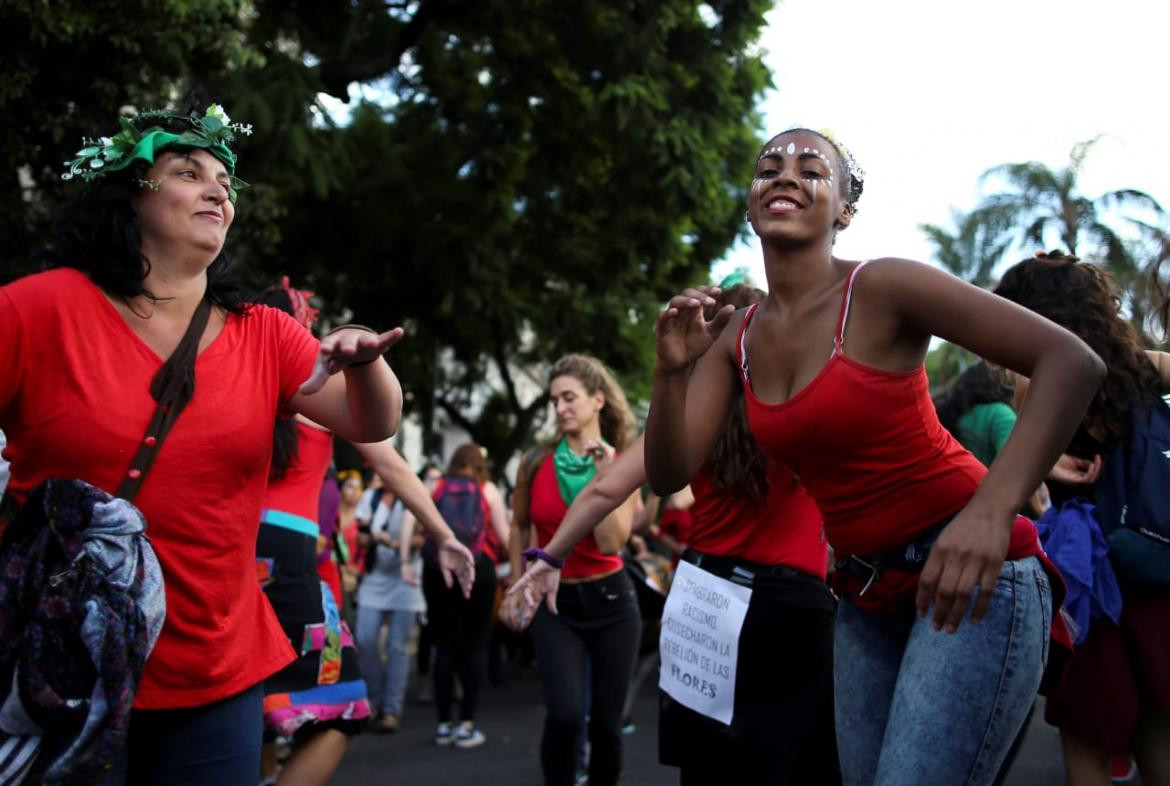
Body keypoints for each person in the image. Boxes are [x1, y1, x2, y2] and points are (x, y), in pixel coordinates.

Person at [642, 128, 1104, 785]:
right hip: (862, 593)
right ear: (750, 205)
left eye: (812, 170)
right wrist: (670, 375)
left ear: (845, 209)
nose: (786, 175)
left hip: (970, 571)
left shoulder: (883, 287)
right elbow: (668, 472)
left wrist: (991, 513)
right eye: (768, 167)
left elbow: (1071, 361)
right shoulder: (736, 337)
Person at [0, 104, 406, 784]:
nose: (219, 189)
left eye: (225, 179)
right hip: (65, 659)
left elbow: (372, 423)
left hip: (214, 666)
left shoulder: (263, 333)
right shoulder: (36, 309)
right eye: (188, 172)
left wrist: (365, 359)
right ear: (131, 194)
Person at [507, 286, 840, 784]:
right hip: (787, 604)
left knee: (705, 766)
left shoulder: (687, 420)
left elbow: (604, 490)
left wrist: (548, 557)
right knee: (793, 767)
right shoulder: (805, 404)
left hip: (704, 599)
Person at [254, 280, 475, 785]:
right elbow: (392, 466)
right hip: (289, 561)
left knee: (255, 704)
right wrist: (444, 534)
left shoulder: (234, 381)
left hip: (229, 552)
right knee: (345, 705)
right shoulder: (314, 394)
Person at [993, 251, 1170, 786]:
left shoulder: (1037, 379)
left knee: (1087, 739)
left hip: (1086, 588)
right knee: (1161, 731)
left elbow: (1020, 468)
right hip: (1156, 571)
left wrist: (1049, 462)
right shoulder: (1147, 366)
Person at [507, 354, 641, 786]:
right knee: (564, 715)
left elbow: (609, 542)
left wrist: (603, 477)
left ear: (597, 400)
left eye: (569, 398)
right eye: (554, 400)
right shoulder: (534, 461)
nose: (560, 408)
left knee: (605, 725)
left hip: (612, 603)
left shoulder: (625, 464)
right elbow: (519, 524)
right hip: (555, 603)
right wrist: (515, 583)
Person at [423, 442, 508, 749]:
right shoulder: (489, 490)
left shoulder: (435, 486)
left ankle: (443, 725)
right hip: (479, 567)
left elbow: (412, 524)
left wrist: (407, 562)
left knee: (442, 645)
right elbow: (504, 535)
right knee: (475, 645)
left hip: (438, 568)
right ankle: (468, 725)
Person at [352, 478, 424, 734]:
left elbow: (423, 539)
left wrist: (400, 545)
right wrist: (373, 537)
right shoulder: (371, 499)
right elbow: (358, 539)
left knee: (398, 646)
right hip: (375, 578)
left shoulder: (415, 497)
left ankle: (391, 709)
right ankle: (375, 698)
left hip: (406, 580)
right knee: (365, 638)